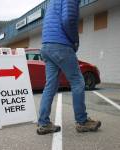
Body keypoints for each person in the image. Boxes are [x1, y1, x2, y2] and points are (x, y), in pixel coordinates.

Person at [37, 0, 101, 135]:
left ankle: (43, 123)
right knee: (78, 81)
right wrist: (75, 40)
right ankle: (82, 121)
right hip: (61, 45)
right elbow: (68, 19)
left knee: (51, 85)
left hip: (46, 45)